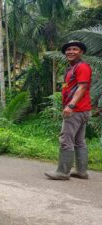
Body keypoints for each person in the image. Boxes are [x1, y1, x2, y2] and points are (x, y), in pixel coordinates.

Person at [45, 40, 92, 180]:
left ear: (81, 52)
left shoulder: (82, 67)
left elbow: (82, 87)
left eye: (74, 49)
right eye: (68, 49)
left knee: (66, 140)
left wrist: (70, 105)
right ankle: (81, 171)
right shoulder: (73, 68)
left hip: (76, 109)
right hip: (82, 109)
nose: (70, 51)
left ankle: (62, 172)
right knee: (79, 141)